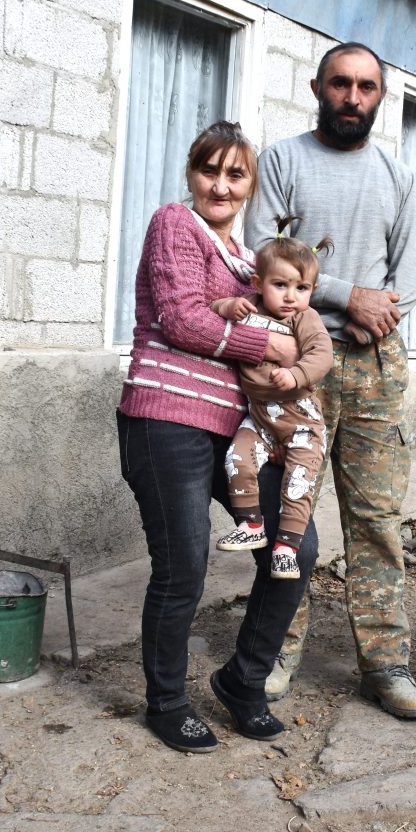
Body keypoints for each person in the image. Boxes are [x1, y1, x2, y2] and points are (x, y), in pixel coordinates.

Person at [116, 120, 318, 754]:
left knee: (296, 549)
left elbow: (293, 319)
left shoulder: (253, 263)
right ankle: (167, 701)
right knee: (184, 565)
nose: (221, 186)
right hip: (166, 417)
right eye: (210, 171)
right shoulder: (174, 224)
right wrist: (271, 345)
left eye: (236, 175)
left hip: (234, 430)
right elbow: (181, 320)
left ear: (251, 185)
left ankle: (242, 680)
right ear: (191, 173)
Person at [245, 42, 416, 719]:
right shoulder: (283, 161)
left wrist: (369, 313)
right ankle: (273, 651)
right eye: (341, 83)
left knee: (376, 518)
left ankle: (386, 664)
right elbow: (260, 256)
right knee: (288, 511)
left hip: (376, 365)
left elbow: (412, 279)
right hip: (295, 365)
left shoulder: (398, 176)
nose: (353, 97)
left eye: (366, 87)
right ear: (316, 87)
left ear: (380, 96)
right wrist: (347, 296)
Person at [210, 221, 334, 580]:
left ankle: (286, 548)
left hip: (301, 421)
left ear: (311, 291)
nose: (290, 296)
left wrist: (296, 375)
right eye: (280, 285)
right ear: (258, 283)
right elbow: (212, 308)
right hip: (260, 417)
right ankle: (251, 525)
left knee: (297, 483)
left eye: (301, 288)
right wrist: (227, 305)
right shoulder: (250, 306)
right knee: (236, 459)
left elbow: (321, 354)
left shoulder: (305, 318)